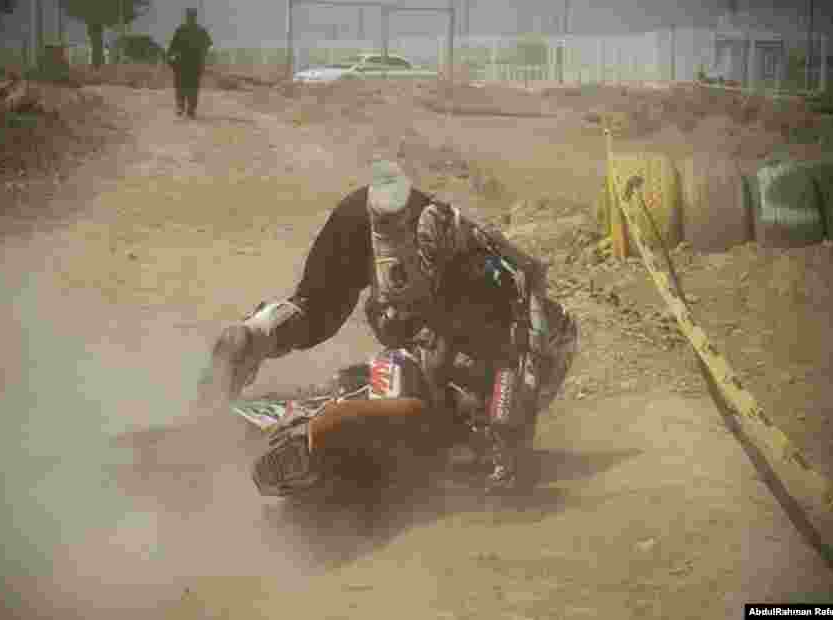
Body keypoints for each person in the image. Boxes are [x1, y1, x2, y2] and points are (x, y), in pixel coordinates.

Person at [209, 160, 579, 493]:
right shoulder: (507, 326)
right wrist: (505, 446)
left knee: (314, 310)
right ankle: (323, 425)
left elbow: (525, 279)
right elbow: (521, 302)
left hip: (376, 215)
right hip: (413, 260)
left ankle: (260, 333)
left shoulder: (491, 292)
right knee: (437, 411)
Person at [167, 7, 212, 119]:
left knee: (189, 86)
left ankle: (188, 108)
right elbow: (173, 46)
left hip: (190, 63)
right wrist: (170, 57)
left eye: (191, 16)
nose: (190, 18)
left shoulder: (196, 30)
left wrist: (203, 57)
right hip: (185, 63)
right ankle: (183, 107)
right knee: (185, 86)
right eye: (189, 16)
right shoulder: (185, 30)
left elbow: (207, 46)